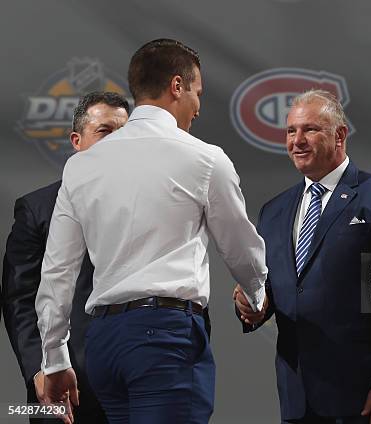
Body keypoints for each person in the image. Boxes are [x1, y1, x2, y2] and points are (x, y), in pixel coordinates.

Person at [35, 39, 267, 424]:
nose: (198, 105)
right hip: (165, 340)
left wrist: (55, 357)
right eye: (197, 92)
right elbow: (241, 249)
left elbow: (57, 271)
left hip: (104, 344)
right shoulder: (205, 159)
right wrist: (257, 294)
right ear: (177, 86)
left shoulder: (80, 168)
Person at [234, 89, 371, 424]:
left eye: (310, 129)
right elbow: (275, 289)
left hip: (363, 395)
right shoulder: (274, 210)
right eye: (291, 131)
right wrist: (252, 304)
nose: (298, 140)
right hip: (297, 395)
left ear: (340, 135)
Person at [2, 91, 129, 424]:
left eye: (124, 134)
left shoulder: (152, 204)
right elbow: (19, 300)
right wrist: (38, 369)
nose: (116, 142)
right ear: (77, 140)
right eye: (104, 131)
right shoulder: (37, 209)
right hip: (62, 383)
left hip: (136, 382)